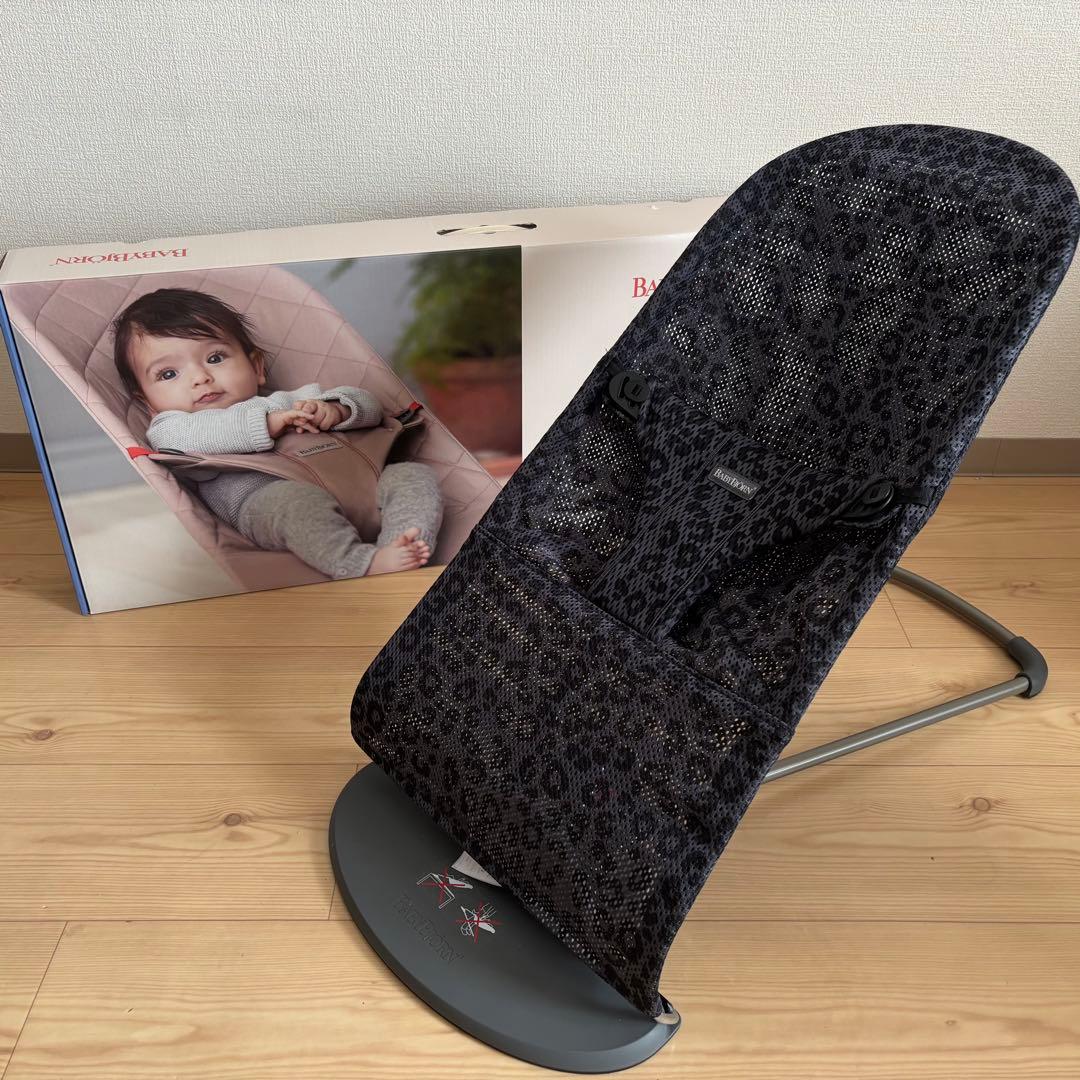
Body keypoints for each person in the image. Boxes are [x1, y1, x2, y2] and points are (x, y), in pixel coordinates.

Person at [113, 287, 443, 578]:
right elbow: (181, 440)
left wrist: (336, 410)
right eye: (169, 374)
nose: (200, 378)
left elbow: (369, 404)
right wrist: (267, 424)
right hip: (267, 502)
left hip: (362, 484)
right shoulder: (172, 427)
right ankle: (361, 564)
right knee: (298, 505)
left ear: (257, 368)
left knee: (413, 475)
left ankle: (404, 547)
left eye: (215, 357)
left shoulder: (290, 400)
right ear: (147, 402)